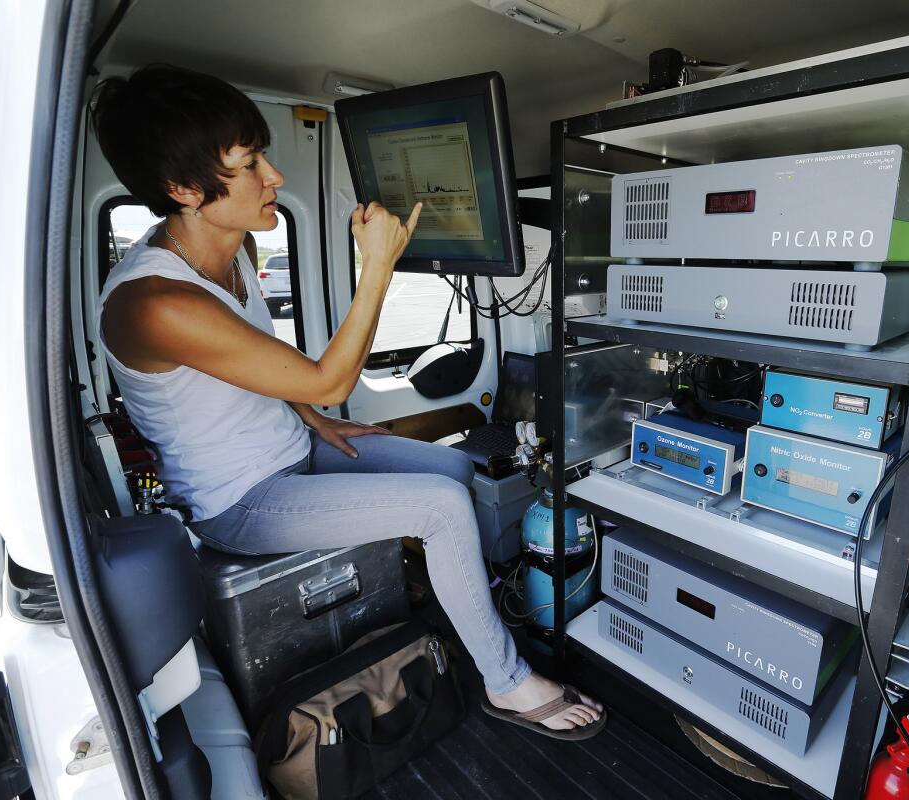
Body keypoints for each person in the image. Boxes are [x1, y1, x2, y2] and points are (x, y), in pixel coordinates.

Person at [92, 64, 603, 739]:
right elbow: (329, 377)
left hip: (294, 447)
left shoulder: (232, 247)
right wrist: (378, 269)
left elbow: (254, 366)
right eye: (249, 165)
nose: (273, 176)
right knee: (442, 509)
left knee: (453, 472)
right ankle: (507, 683)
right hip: (239, 501)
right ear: (184, 189)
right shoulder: (154, 303)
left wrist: (311, 418)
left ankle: (450, 602)